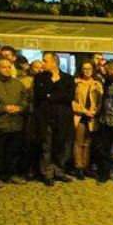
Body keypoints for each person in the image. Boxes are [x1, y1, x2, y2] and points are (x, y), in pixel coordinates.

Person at [33, 52, 76, 186]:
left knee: (61, 146)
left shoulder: (68, 78)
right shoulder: (40, 77)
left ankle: (59, 171)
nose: (43, 63)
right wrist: (51, 83)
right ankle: (47, 173)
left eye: (45, 61)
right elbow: (39, 94)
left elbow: (69, 96)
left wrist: (50, 96)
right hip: (45, 118)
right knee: (46, 146)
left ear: (54, 62)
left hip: (62, 118)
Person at [0, 58, 29, 188]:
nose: (7, 69)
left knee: (13, 152)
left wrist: (20, 108)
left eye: (9, 67)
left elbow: (25, 100)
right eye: (4, 67)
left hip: (16, 123)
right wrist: (3, 108)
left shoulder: (18, 83)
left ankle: (11, 174)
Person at [72, 60, 103, 180]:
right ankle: (78, 167)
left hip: (92, 117)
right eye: (84, 68)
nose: (87, 71)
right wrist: (84, 111)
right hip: (80, 116)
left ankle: (86, 166)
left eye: (89, 68)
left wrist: (95, 111)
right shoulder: (77, 83)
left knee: (88, 143)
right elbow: (72, 100)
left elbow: (100, 101)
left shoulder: (97, 84)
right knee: (78, 142)